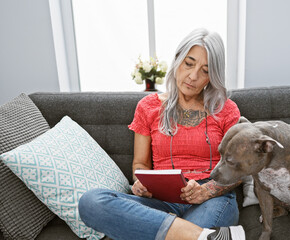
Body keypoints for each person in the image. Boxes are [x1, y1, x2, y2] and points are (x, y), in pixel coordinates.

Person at [78, 28, 245, 240]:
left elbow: (239, 171)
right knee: (91, 202)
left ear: (212, 77)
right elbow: (140, 165)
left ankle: (166, 231)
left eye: (205, 70)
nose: (193, 76)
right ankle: (207, 237)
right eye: (189, 63)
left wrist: (206, 191)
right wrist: (141, 184)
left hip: (211, 198)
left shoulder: (226, 110)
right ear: (177, 61)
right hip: (160, 200)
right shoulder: (148, 107)